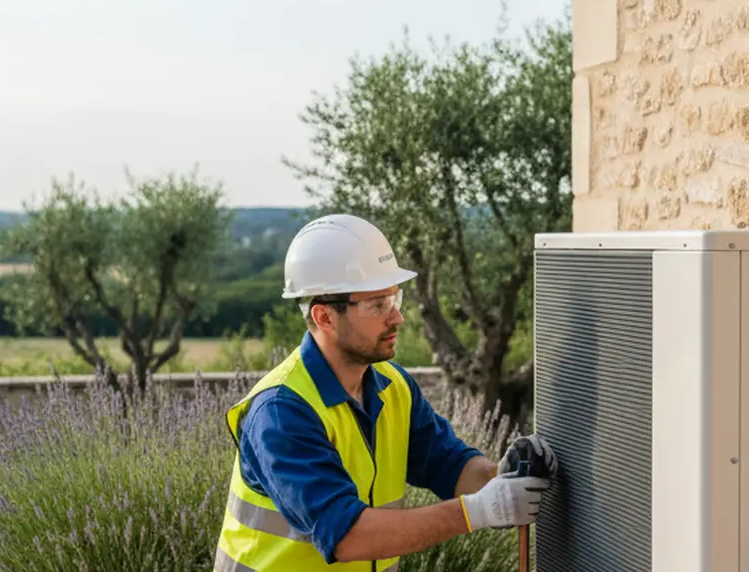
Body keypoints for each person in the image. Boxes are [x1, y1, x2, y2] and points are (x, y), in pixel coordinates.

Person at [213, 213, 559, 572]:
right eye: (377, 305)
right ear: (324, 317)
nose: (397, 318)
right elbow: (347, 535)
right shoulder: (282, 410)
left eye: (395, 299)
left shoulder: (392, 386)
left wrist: (502, 478)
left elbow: (450, 466)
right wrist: (482, 510)